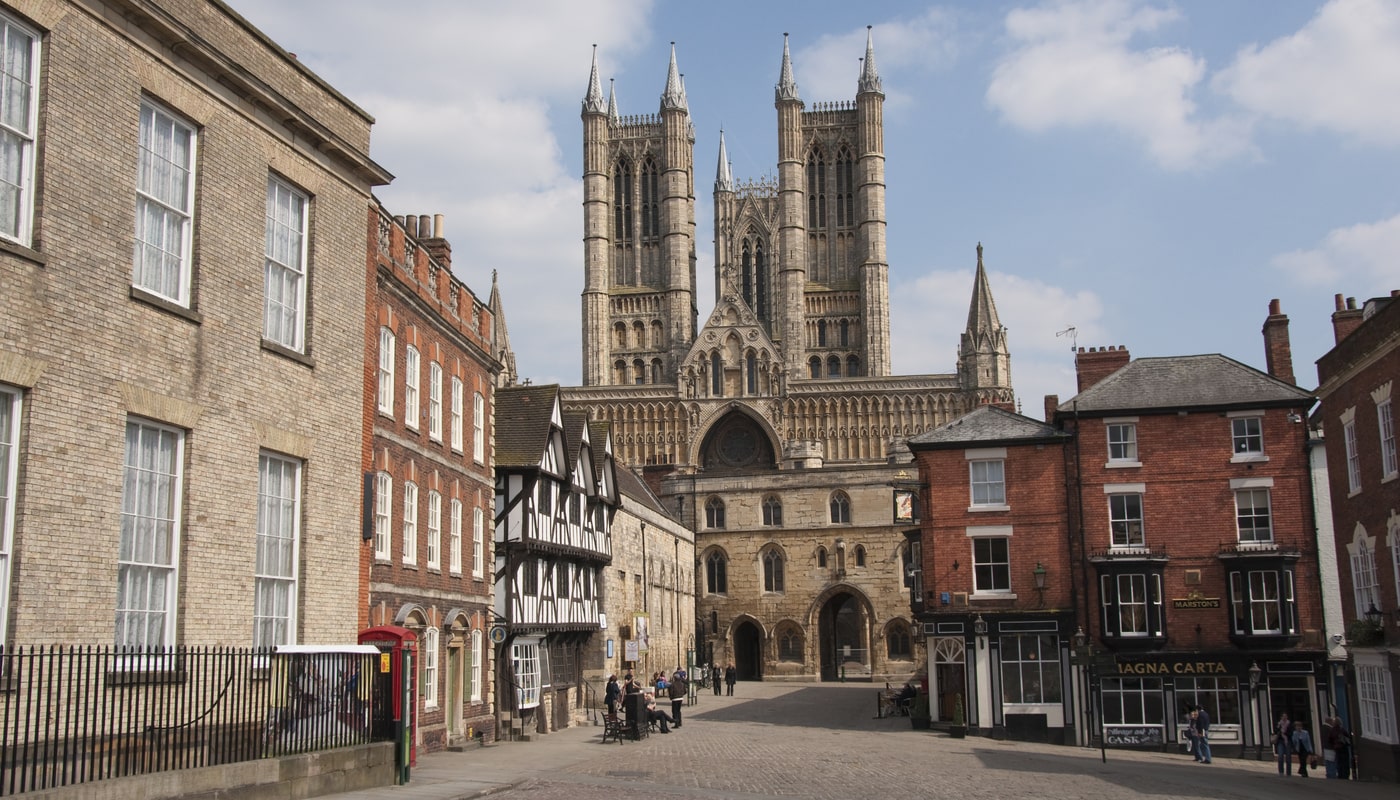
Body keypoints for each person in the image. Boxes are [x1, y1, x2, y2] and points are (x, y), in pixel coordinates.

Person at [1329, 716, 1353, 780]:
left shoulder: (1332, 730)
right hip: (1343, 748)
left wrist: (1334, 745)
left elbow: (1330, 740)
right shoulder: (1342, 730)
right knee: (1345, 761)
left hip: (1337, 748)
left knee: (1339, 761)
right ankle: (1345, 775)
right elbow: (1348, 739)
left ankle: (1340, 774)